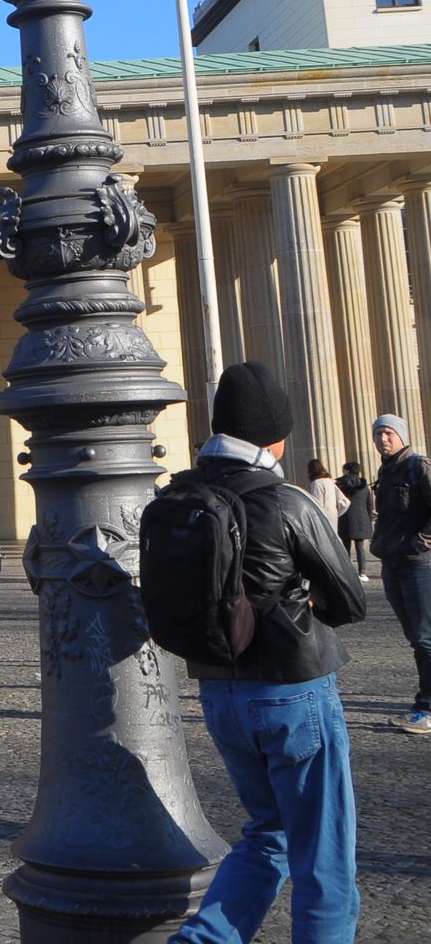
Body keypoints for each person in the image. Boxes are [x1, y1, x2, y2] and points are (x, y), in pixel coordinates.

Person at [170, 362, 366, 944]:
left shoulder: (183, 493)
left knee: (269, 834)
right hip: (293, 693)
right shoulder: (286, 500)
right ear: (275, 437)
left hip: (218, 690)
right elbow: (350, 599)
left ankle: (199, 941)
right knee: (325, 856)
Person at [370, 412, 431, 733]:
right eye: (378, 434)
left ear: (403, 436)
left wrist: (420, 542)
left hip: (418, 564)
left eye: (389, 433)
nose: (383, 439)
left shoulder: (418, 466)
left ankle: (427, 707)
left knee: (425, 637)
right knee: (415, 638)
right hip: (392, 563)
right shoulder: (386, 470)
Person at [336, 457, 374, 582]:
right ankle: (362, 572)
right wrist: (368, 519)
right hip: (361, 518)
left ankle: (348, 571)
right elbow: (369, 505)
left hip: (344, 517)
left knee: (345, 546)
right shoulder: (364, 486)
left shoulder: (340, 485)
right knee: (360, 546)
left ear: (347, 470)